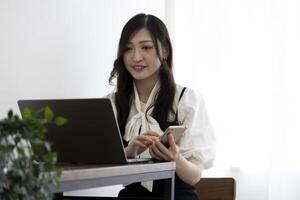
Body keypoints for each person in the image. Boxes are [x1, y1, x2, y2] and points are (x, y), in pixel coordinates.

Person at [107, 13, 216, 200]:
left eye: (146, 47)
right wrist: (127, 152)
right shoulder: (111, 104)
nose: (136, 57)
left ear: (165, 50)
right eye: (128, 48)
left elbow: (194, 176)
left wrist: (175, 159)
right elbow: (97, 167)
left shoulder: (186, 100)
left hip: (177, 195)